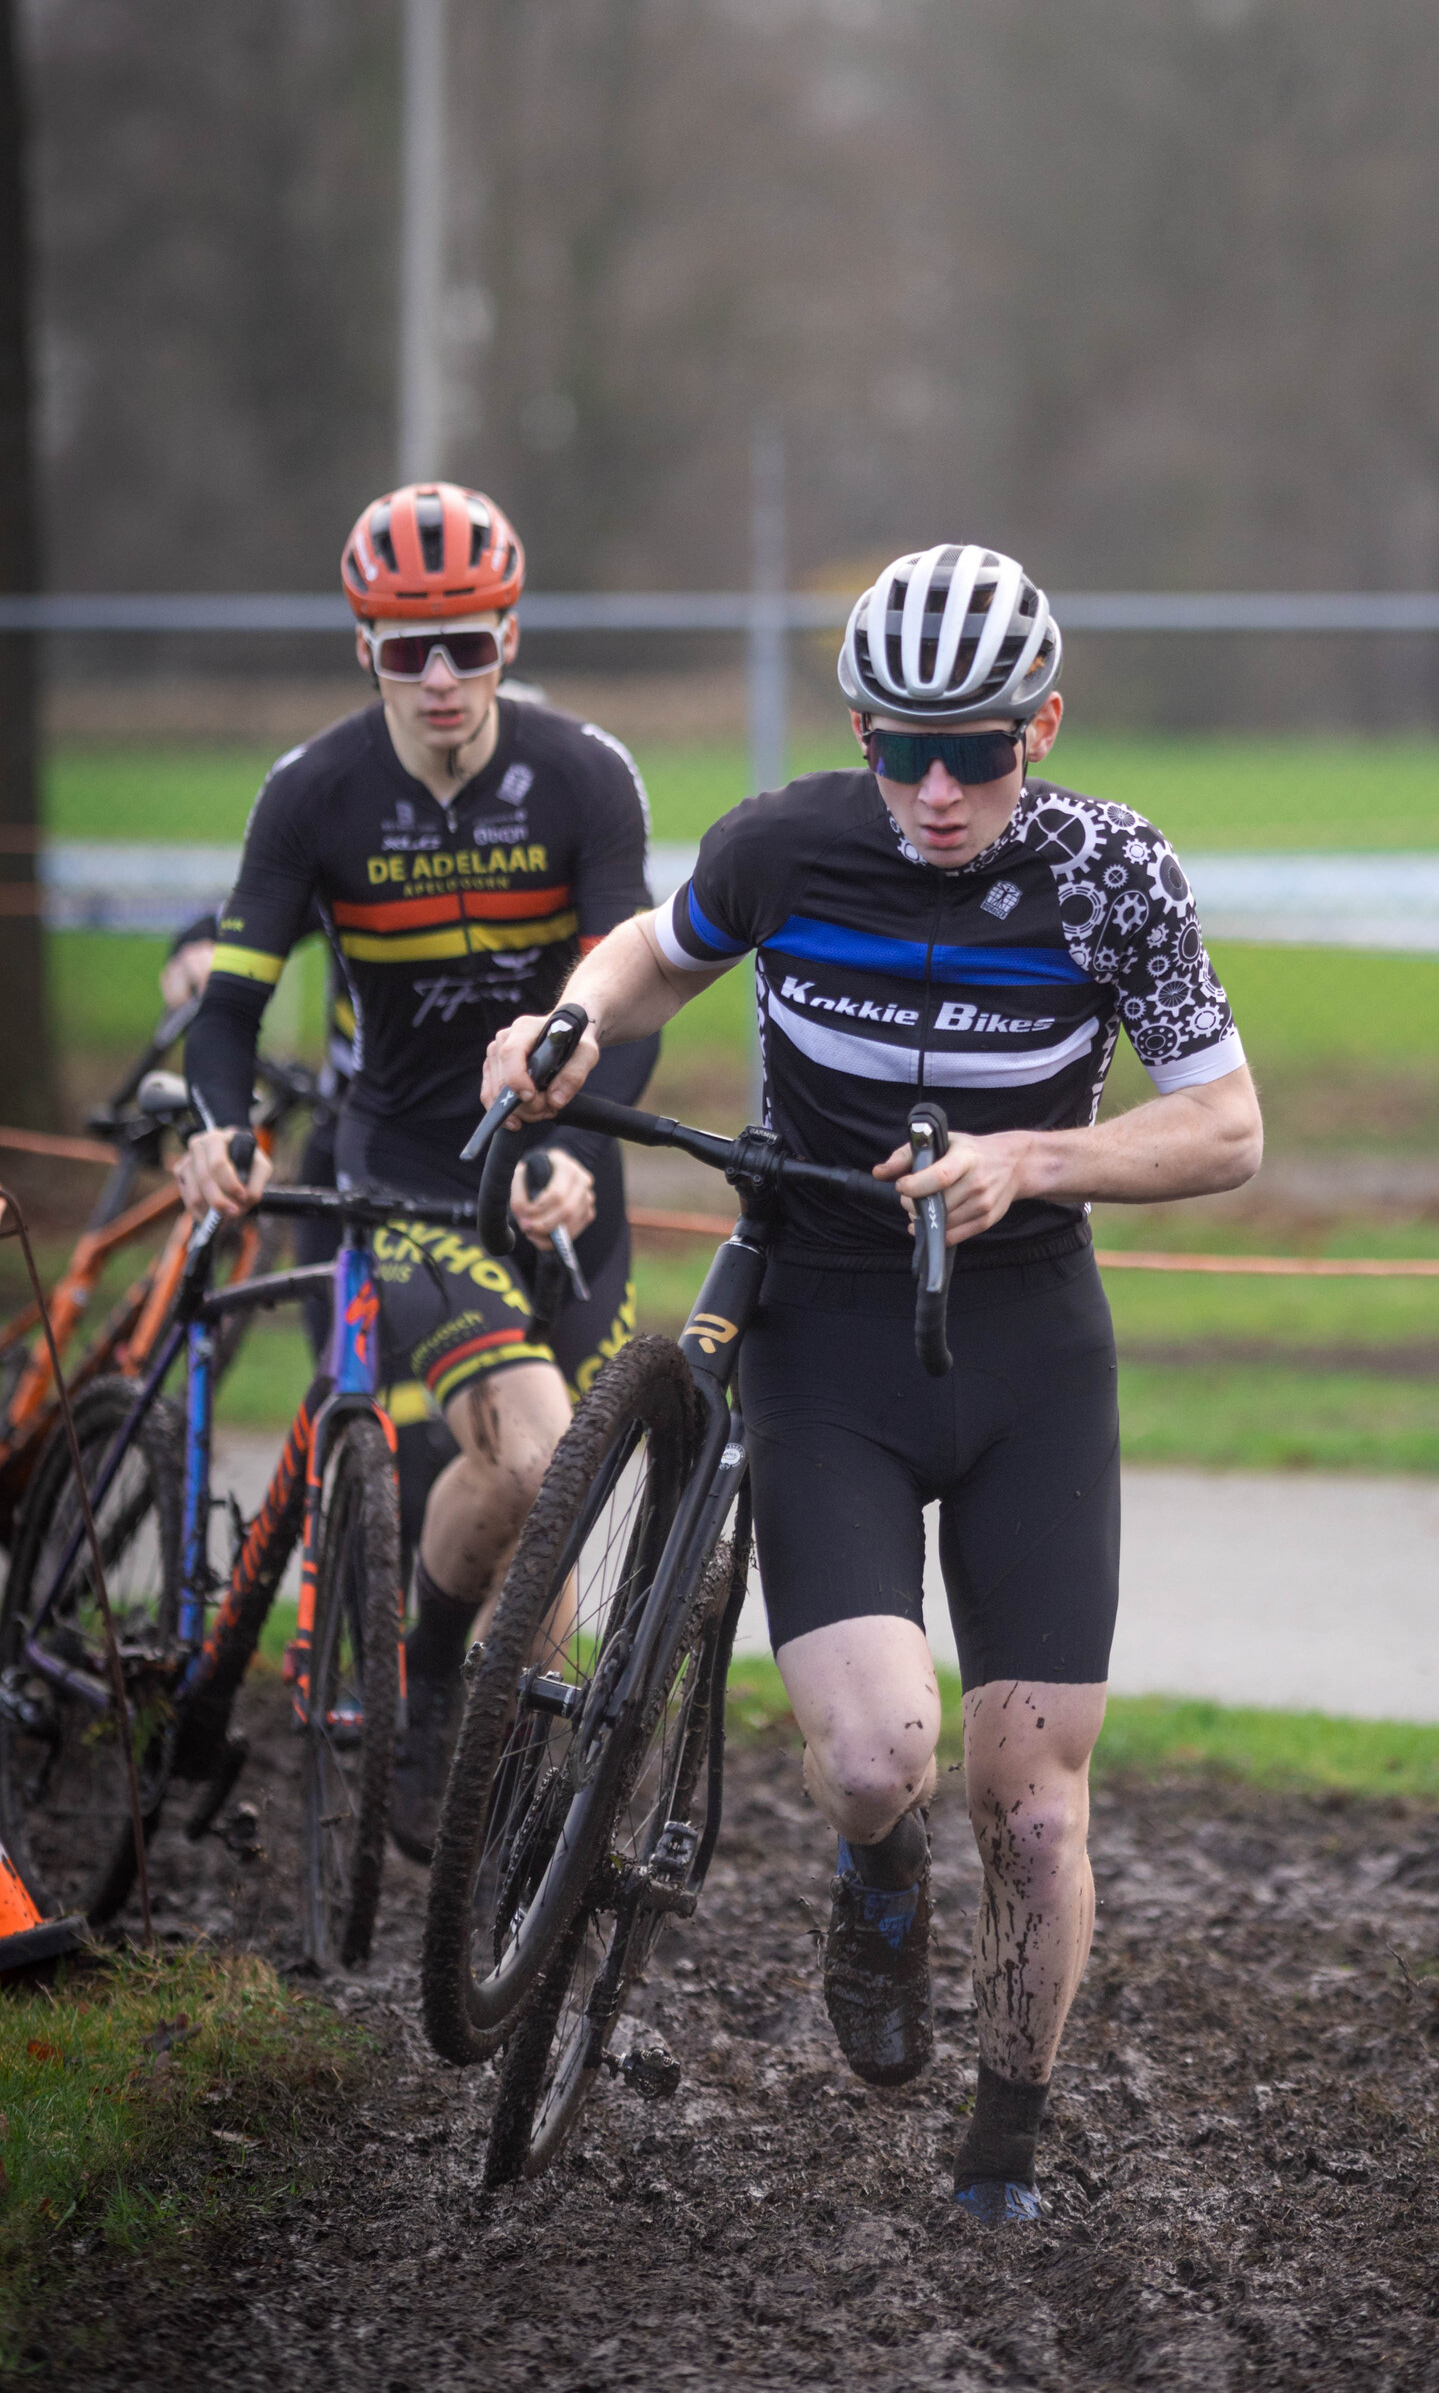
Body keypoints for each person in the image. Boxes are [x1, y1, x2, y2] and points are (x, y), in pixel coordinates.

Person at [480, 541, 1260, 2225]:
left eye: (977, 748)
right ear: (857, 730)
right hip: (824, 1324)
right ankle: (876, 1872)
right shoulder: (783, 844)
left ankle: (1006, 2132)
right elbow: (652, 957)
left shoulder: (1115, 874)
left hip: (1028, 1343)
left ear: (1041, 727)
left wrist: (1032, 1158)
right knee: (872, 1757)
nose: (935, 789)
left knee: (1033, 1801)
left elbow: (1227, 1127)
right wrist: (564, 1019)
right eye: (900, 748)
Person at [179, 481, 658, 1859]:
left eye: (470, 643)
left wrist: (568, 1146)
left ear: (511, 633)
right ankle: (448, 1703)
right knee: (537, 1437)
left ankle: (456, 1686)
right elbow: (230, 1013)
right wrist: (220, 1125)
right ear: (363, 648)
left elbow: (623, 1000)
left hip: (565, 1168)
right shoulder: (316, 792)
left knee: (533, 1498)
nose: (441, 677)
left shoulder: (584, 776)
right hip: (407, 1171)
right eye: (407, 648)